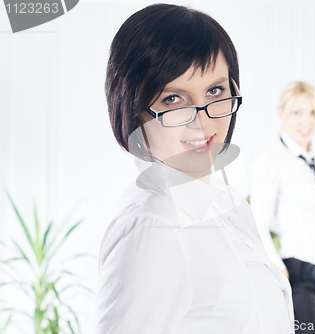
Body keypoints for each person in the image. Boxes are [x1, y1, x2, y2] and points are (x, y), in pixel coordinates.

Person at [94, 4, 293, 333]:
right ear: (131, 109)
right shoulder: (150, 226)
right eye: (173, 99)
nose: (203, 122)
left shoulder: (229, 204)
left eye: (215, 91)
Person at [251, 81, 315, 333]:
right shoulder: (271, 160)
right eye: (297, 112)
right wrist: (279, 270)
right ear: (281, 113)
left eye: (312, 112)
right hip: (301, 277)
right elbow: (258, 222)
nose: (306, 121)